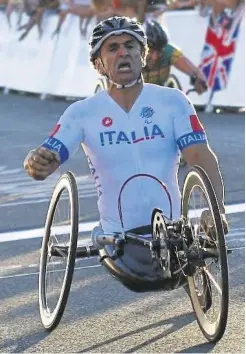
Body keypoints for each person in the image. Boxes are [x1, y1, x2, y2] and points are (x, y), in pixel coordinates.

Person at [23, 16, 228, 238]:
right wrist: (35, 162)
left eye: (130, 46)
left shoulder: (173, 101)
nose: (123, 52)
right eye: (113, 48)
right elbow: (47, 158)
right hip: (118, 237)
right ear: (98, 64)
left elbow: (200, 155)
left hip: (172, 234)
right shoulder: (81, 113)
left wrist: (215, 211)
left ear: (142, 56)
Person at [143, 19, 208, 94]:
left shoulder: (168, 51)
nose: (155, 57)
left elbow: (195, 71)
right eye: (150, 51)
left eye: (159, 52)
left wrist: (198, 79)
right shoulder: (131, 56)